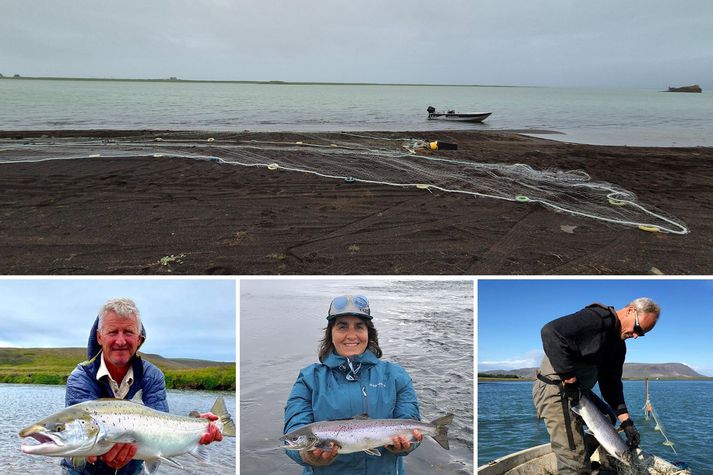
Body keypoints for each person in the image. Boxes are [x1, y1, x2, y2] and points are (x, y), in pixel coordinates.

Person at [61, 298, 222, 475]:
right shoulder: (81, 377)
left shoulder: (153, 376)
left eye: (128, 332)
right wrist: (87, 455)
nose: (120, 341)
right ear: (99, 337)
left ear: (139, 338)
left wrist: (199, 425)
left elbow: (163, 428)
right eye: (113, 332)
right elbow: (77, 437)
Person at [283, 294, 423, 474]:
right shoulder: (308, 379)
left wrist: (404, 447)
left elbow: (412, 424)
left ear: (368, 333)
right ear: (331, 334)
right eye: (342, 327)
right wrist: (308, 456)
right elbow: (293, 432)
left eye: (359, 326)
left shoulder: (396, 375)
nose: (351, 335)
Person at [532, 298, 660, 474]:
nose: (636, 335)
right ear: (630, 310)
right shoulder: (597, 319)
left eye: (642, 334)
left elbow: (611, 385)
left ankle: (576, 452)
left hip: (579, 391)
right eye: (637, 328)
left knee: (608, 417)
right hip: (556, 388)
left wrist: (627, 422)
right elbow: (551, 332)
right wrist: (569, 379)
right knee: (574, 464)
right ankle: (573, 460)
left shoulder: (618, 347)